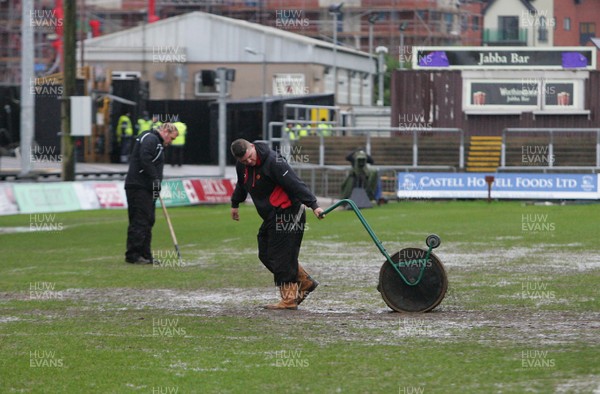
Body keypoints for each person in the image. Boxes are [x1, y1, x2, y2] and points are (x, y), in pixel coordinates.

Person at [230, 139, 325, 310]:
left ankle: (289, 300)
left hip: (289, 211)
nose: (249, 162)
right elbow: (241, 185)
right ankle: (304, 282)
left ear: (252, 147)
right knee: (265, 253)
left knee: (281, 254)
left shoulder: (274, 161)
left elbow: (295, 183)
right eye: (244, 161)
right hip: (271, 215)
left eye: (250, 158)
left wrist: (314, 205)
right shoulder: (242, 166)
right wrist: (235, 204)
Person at [124, 123, 179, 264]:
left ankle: (145, 254)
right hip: (139, 186)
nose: (170, 142)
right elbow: (145, 159)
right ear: (165, 131)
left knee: (149, 220)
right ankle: (133, 255)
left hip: (148, 188)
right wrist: (155, 178)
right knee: (140, 220)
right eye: (171, 139)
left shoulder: (157, 142)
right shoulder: (150, 139)